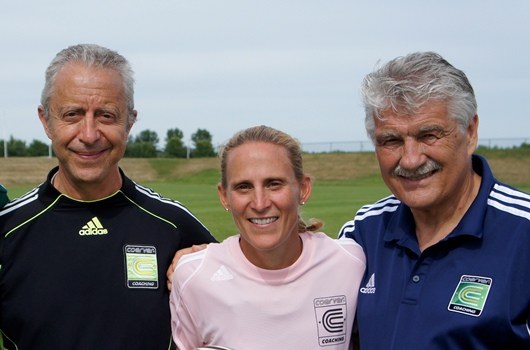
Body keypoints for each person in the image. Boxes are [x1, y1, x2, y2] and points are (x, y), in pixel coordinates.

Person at [0, 44, 216, 349]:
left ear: (130, 122)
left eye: (106, 116)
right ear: (46, 120)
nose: (89, 135)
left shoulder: (174, 226)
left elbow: (246, 302)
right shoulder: (8, 230)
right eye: (72, 114)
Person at [339, 51, 530, 349]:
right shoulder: (362, 233)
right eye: (391, 140)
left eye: (429, 135)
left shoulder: (523, 234)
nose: (411, 160)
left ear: (470, 131)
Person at [170, 125, 366, 350]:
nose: (260, 203)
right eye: (244, 187)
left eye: (274, 184)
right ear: (224, 197)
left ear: (303, 189)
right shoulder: (193, 277)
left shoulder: (351, 263)